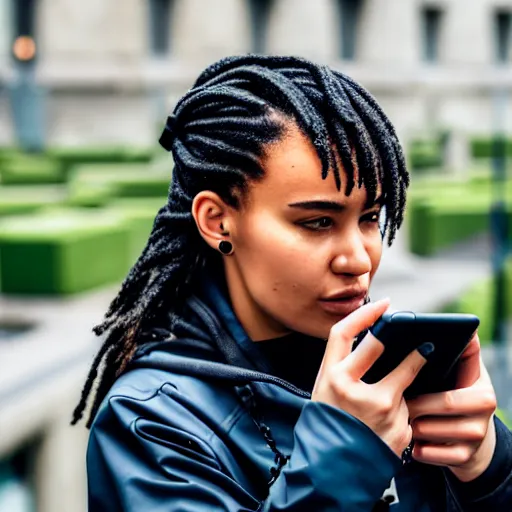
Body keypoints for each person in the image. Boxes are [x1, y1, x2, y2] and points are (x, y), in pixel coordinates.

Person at [72, 55, 512, 511]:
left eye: (369, 218)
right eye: (319, 222)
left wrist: (489, 468)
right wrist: (343, 458)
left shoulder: (392, 375)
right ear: (218, 221)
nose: (359, 258)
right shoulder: (149, 423)